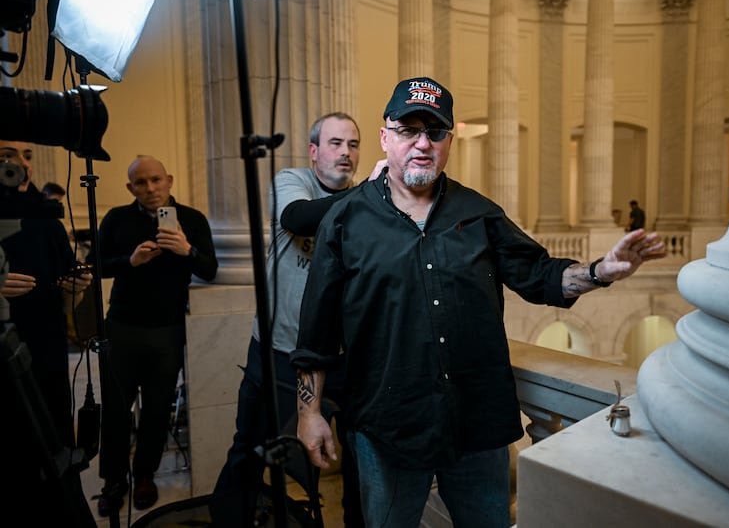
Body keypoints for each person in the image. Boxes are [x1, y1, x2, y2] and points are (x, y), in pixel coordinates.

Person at [290, 77, 667, 527]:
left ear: (450, 141)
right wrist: (308, 413)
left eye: (436, 132)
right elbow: (317, 330)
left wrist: (598, 271)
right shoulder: (345, 220)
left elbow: (539, 275)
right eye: (409, 130)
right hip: (390, 429)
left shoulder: (479, 212)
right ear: (385, 136)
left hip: (477, 425)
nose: (422, 143)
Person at [211, 112, 382, 527]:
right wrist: (374, 194)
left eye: (353, 144)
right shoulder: (292, 181)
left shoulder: (368, 201)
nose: (345, 152)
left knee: (361, 458)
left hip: (345, 359)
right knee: (251, 447)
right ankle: (229, 520)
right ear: (314, 151)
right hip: (279, 352)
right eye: (336, 143)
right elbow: (298, 218)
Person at [91, 155, 218, 516]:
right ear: (130, 188)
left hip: (168, 328)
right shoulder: (117, 218)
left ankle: (145, 474)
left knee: (157, 408)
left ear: (169, 180)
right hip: (123, 327)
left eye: (156, 181)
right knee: (116, 409)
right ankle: (114, 481)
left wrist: (186, 250)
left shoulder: (191, 220)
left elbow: (209, 269)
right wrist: (129, 262)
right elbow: (95, 264)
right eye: (141, 183)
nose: (150, 189)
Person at [0, 140, 94, 525]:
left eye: (26, 155)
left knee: (52, 458)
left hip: (47, 357)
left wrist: (76, 288)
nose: (19, 164)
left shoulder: (47, 219)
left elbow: (67, 294)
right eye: (5, 155)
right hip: (5, 364)